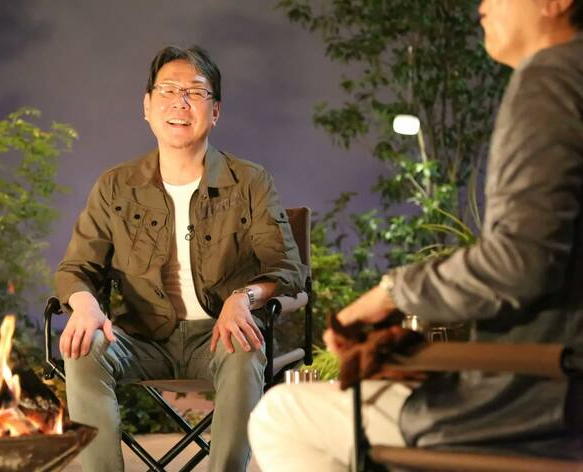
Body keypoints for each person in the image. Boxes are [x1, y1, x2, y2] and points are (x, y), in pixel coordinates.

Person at [248, 0, 583, 469]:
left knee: (282, 416)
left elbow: (520, 261)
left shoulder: (551, 79)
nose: (483, 5)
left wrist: (391, 292)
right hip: (556, 390)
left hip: (538, 405)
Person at [54, 45, 306, 472]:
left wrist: (243, 298)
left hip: (220, 334)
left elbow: (286, 267)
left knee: (245, 346)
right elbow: (77, 268)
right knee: (84, 347)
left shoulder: (250, 181)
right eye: (168, 90)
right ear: (147, 106)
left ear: (215, 111)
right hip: (141, 338)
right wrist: (85, 305)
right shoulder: (116, 186)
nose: (180, 102)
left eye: (196, 92)